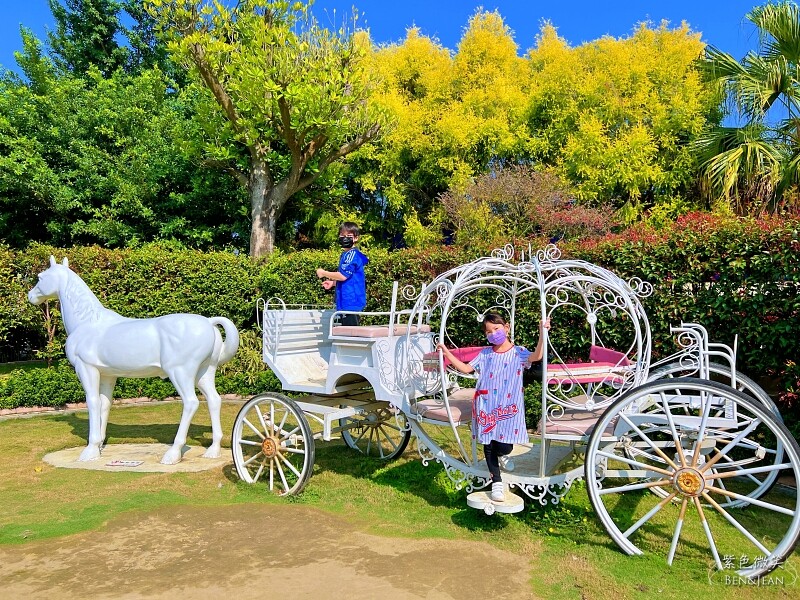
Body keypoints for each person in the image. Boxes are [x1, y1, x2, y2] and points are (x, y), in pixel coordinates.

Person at [436, 313, 550, 502]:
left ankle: (502, 456)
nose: (493, 334)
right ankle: (496, 481)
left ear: (507, 328)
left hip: (508, 409)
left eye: (496, 329)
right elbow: (466, 369)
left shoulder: (518, 352)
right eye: (489, 332)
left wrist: (542, 332)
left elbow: (537, 355)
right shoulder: (485, 354)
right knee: (488, 443)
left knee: (505, 445)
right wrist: (446, 353)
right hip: (486, 406)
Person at [316, 222, 369, 326]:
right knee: (346, 333)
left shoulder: (351, 255)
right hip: (346, 301)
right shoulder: (345, 254)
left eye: (349, 236)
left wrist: (323, 273)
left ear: (356, 238)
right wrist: (333, 283)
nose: (345, 239)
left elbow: (343, 276)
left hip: (350, 301)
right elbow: (350, 278)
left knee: (350, 334)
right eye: (342, 236)